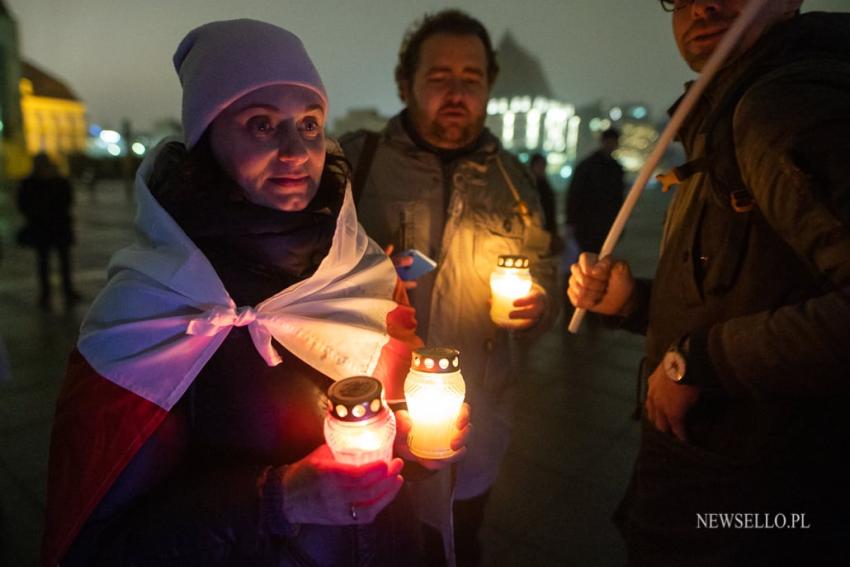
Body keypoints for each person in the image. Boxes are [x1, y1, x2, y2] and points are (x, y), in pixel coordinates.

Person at [41, 19, 468, 567]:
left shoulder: (363, 273)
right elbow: (108, 543)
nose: (296, 151)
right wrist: (278, 498)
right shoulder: (150, 311)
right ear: (207, 138)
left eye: (310, 124)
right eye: (262, 125)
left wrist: (417, 439)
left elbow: (395, 435)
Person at [568, 1, 850, 565]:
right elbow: (749, 289)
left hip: (752, 509)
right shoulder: (725, 117)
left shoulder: (781, 110)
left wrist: (700, 362)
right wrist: (634, 301)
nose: (703, 5)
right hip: (707, 486)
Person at [341, 10, 556, 565]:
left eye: (472, 77)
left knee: (460, 543)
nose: (456, 91)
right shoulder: (353, 165)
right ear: (405, 82)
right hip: (371, 418)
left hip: (474, 416)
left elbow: (543, 268)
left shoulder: (513, 179)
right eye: (439, 77)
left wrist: (540, 303)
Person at [16, 152, 80, 309]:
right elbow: (24, 204)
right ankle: (48, 293)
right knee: (45, 262)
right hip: (46, 228)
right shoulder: (40, 182)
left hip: (53, 227)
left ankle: (61, 291)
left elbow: (67, 200)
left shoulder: (52, 182)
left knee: (60, 262)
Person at [565, 127, 624, 254]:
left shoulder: (614, 169)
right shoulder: (590, 166)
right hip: (588, 223)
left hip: (602, 222)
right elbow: (575, 195)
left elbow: (618, 199)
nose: (611, 145)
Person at [529, 153, 563, 256]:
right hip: (535, 227)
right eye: (539, 165)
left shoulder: (544, 184)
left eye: (543, 166)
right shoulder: (530, 185)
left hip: (546, 227)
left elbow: (550, 210)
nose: (541, 168)